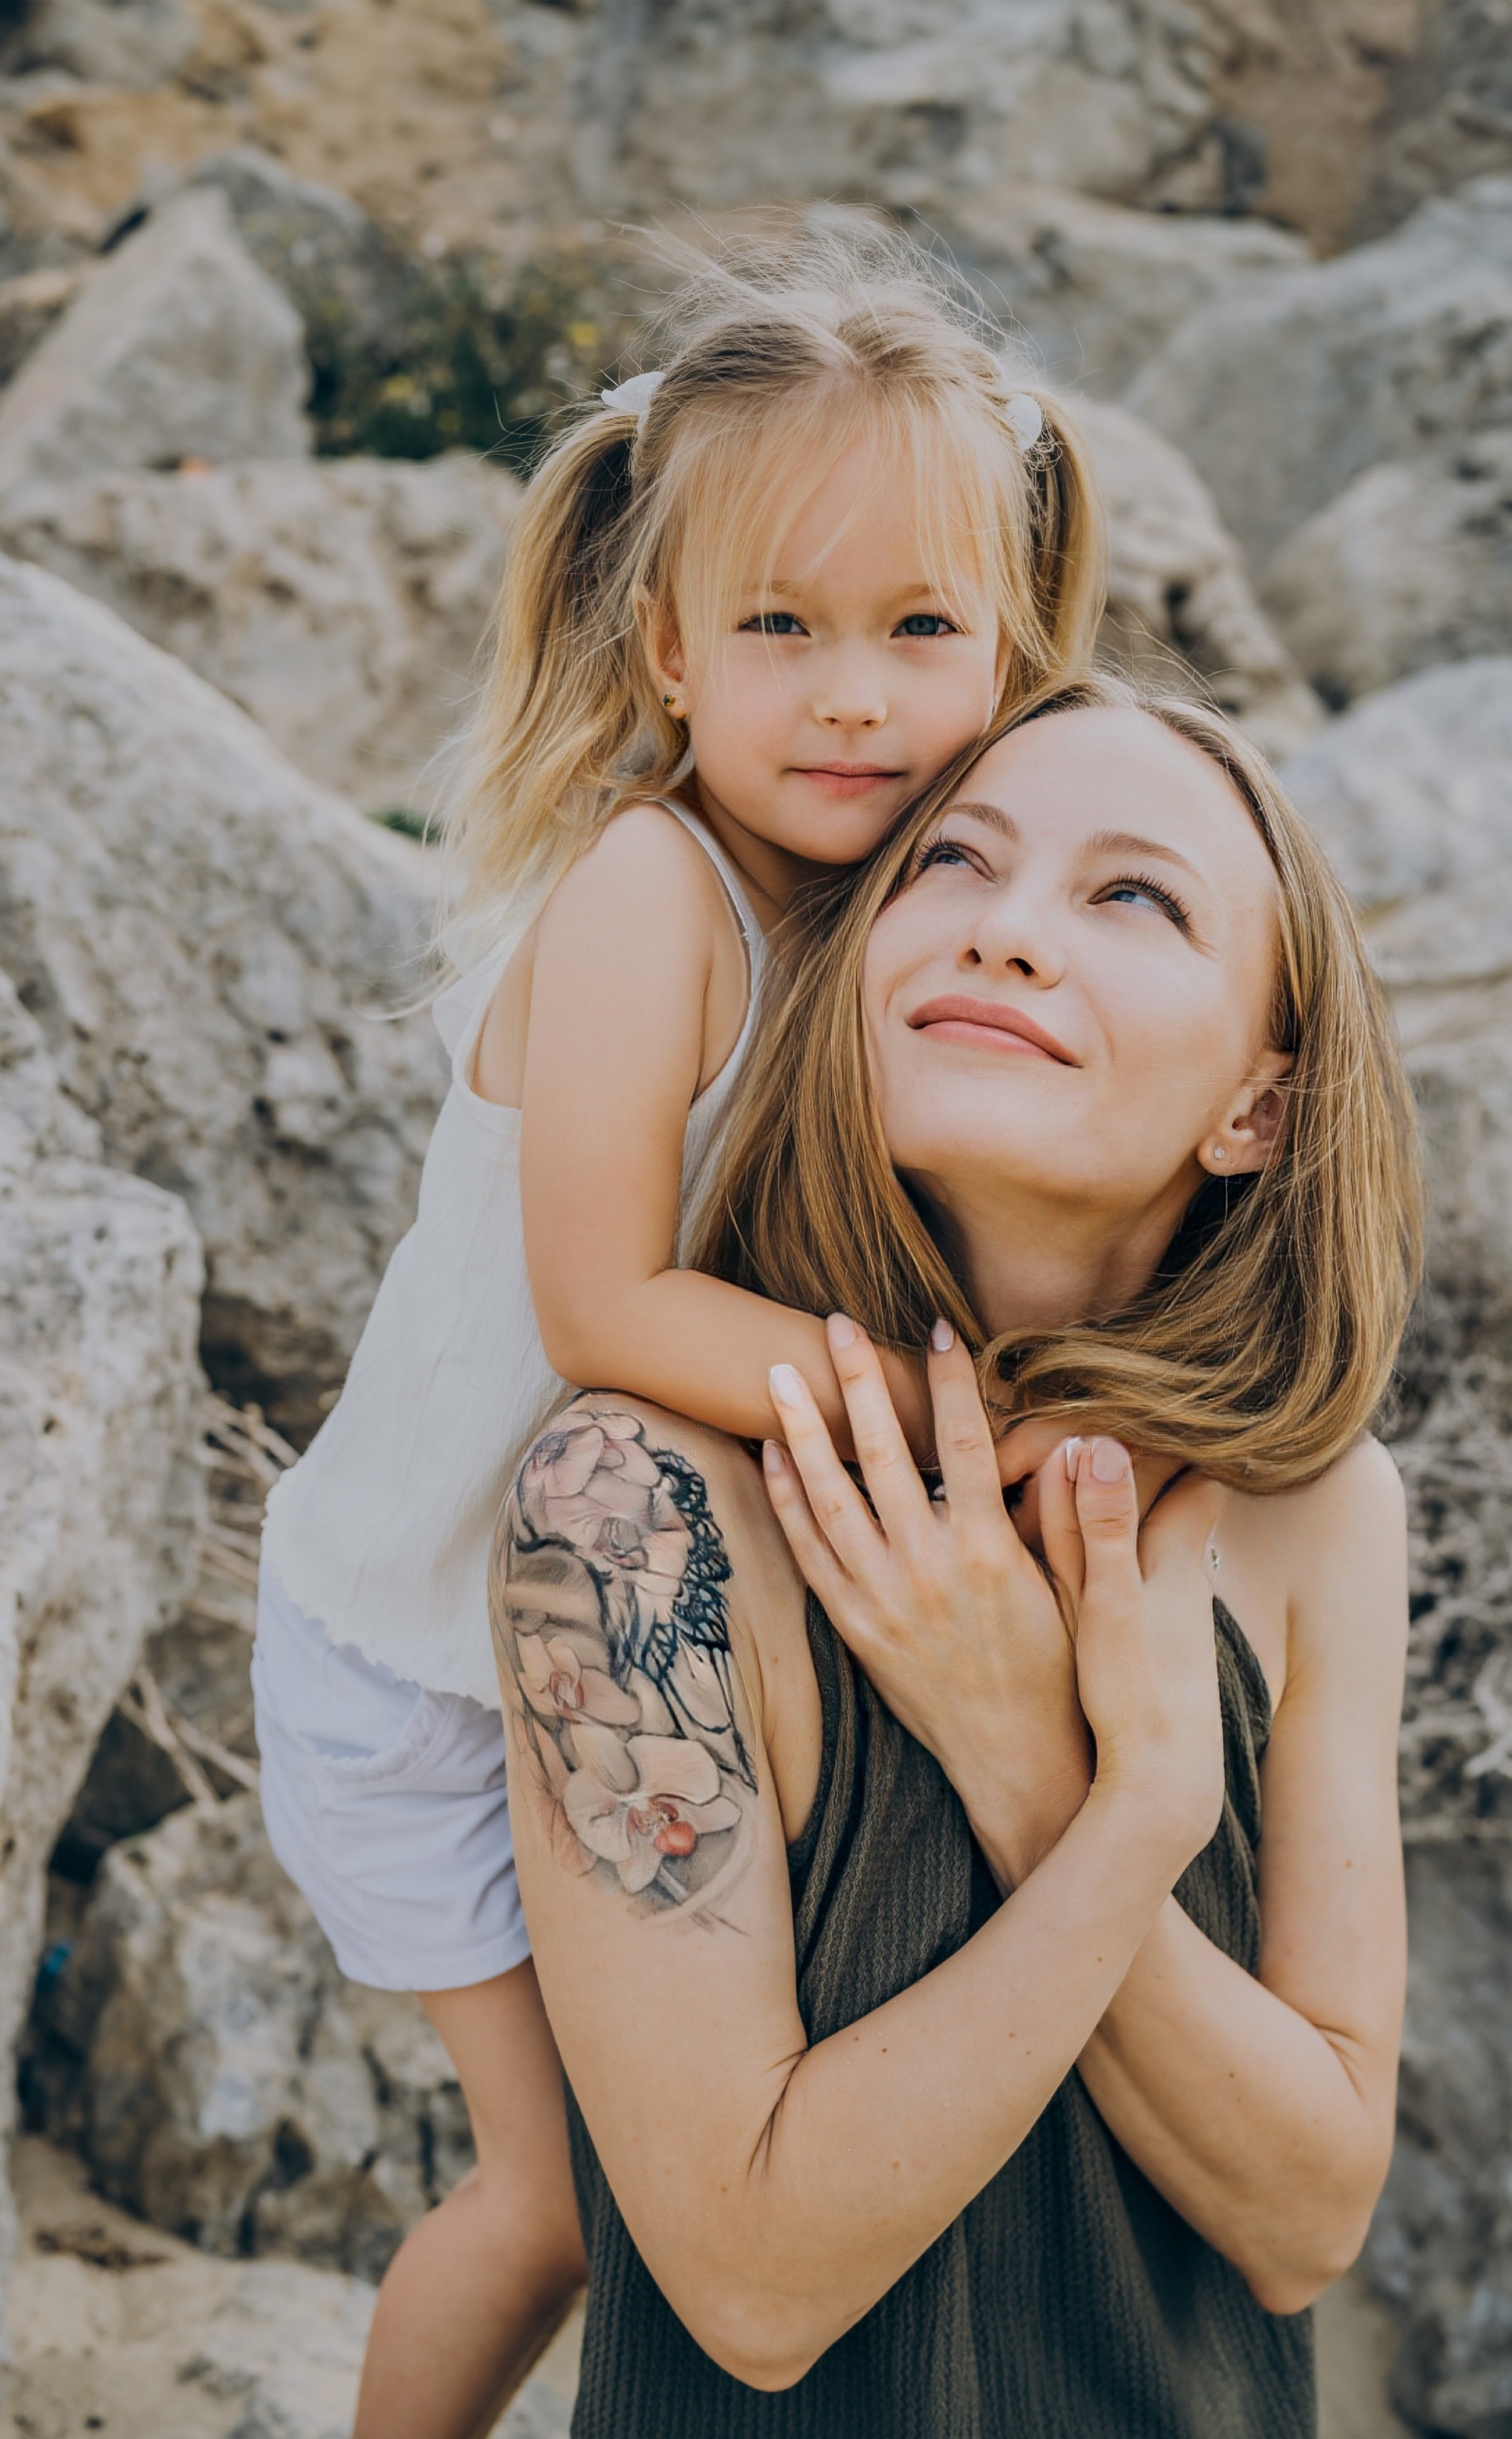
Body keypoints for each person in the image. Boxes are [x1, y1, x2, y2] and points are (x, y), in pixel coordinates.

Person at [251, 228, 1108, 2439]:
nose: (854, 697)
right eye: (781, 628)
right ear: (666, 651)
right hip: (412, 1664)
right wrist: (942, 1411)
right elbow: (607, 1302)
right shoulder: (657, 889)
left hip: (612, 1620)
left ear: (1016, 642)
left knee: (709, 2120)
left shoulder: (905, 909)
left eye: (921, 627)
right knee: (553, 2198)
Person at [490, 678, 1423, 2438]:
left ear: (1263, 1105)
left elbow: (1308, 2219)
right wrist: (1126, 1825)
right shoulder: (629, 1508)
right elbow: (753, 2287)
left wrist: (1025, 1765)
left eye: (1132, 894)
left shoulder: (1310, 1515)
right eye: (953, 861)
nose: (1004, 930)